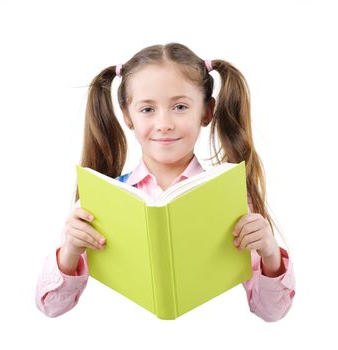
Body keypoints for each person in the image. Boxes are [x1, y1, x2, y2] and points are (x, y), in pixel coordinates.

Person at [35, 42, 295, 321]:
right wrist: (70, 251)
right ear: (127, 115)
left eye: (180, 107)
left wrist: (270, 254)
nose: (164, 123)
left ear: (206, 112)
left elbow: (272, 312)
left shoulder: (232, 199)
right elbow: (50, 307)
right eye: (147, 109)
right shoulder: (101, 200)